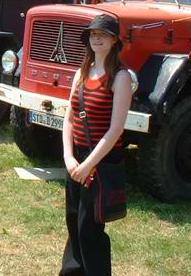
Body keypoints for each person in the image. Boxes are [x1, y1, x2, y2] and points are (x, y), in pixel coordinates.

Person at [60, 14, 132, 276]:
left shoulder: (121, 77)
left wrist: (88, 165)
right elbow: (68, 117)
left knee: (89, 227)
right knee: (72, 220)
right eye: (92, 34)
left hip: (100, 161)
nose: (96, 38)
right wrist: (70, 159)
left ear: (114, 41)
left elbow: (115, 130)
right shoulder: (81, 73)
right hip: (77, 159)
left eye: (102, 34)